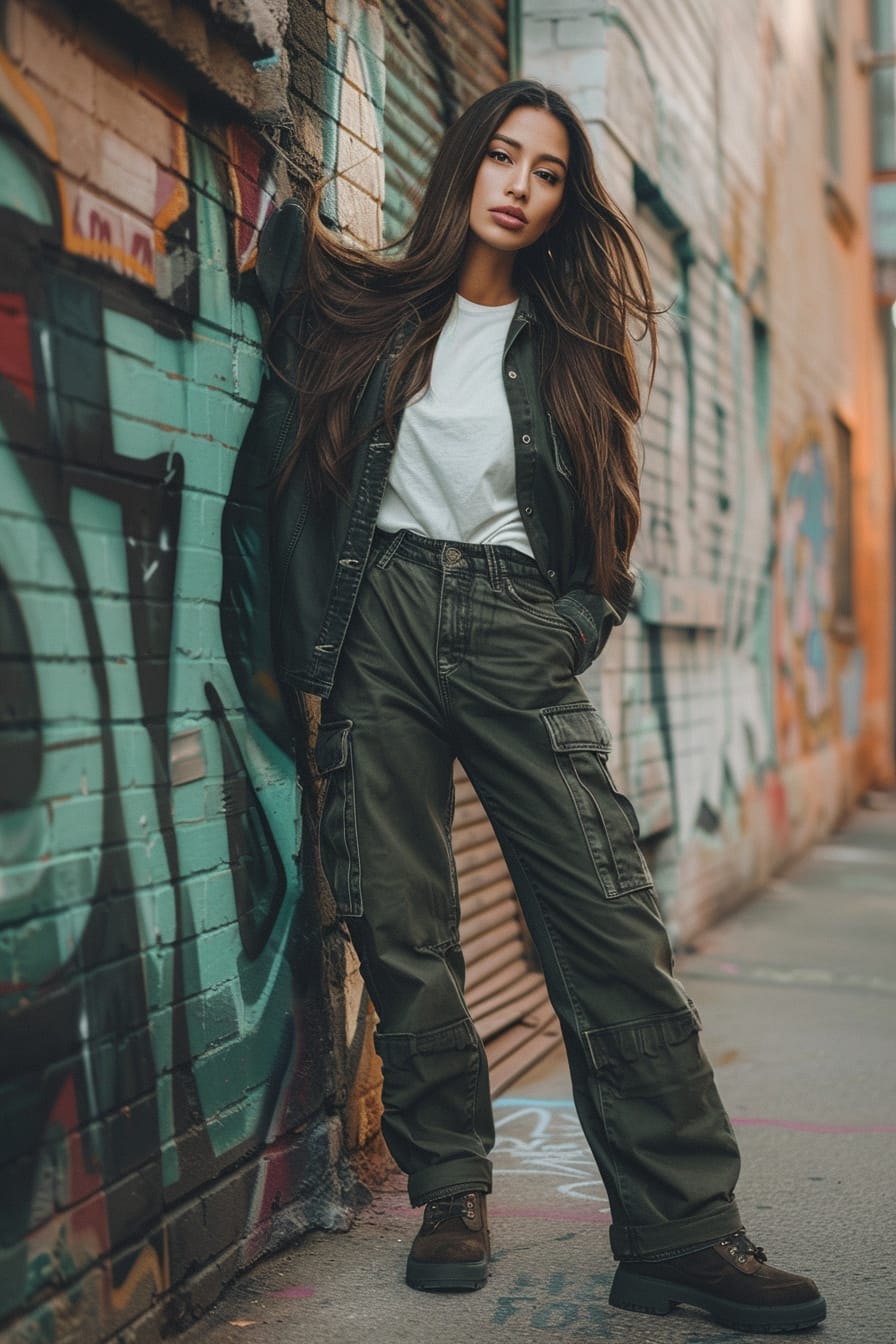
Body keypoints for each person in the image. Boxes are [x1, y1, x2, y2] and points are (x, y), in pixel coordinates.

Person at [247, 79, 826, 1334]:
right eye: (500, 156)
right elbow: (283, 455)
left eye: (547, 170)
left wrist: (566, 632)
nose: (517, 182)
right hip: (381, 622)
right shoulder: (371, 315)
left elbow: (605, 540)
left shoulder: (572, 345)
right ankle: (452, 1191)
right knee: (403, 927)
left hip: (513, 628)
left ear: (564, 200)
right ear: (462, 165)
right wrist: (304, 659)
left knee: (607, 921)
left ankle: (681, 1232)